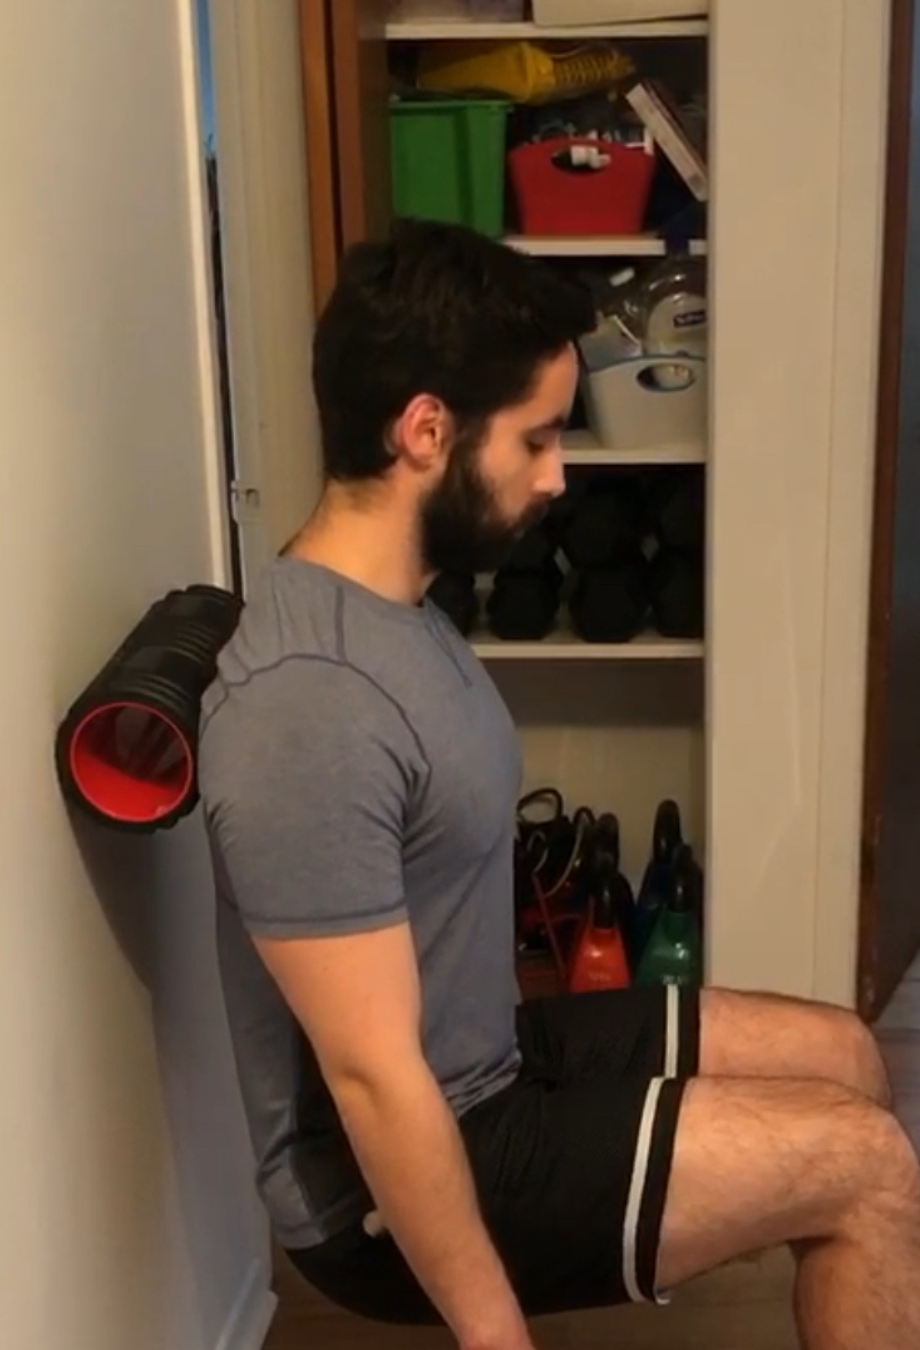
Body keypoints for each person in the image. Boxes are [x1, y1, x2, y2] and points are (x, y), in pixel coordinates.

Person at [198, 219, 920, 1350]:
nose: (558, 475)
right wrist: (497, 1335)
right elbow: (375, 1082)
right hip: (398, 1177)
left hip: (491, 1059)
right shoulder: (309, 709)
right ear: (425, 431)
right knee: (868, 1165)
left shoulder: (394, 609)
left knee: (845, 1056)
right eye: (535, 439)